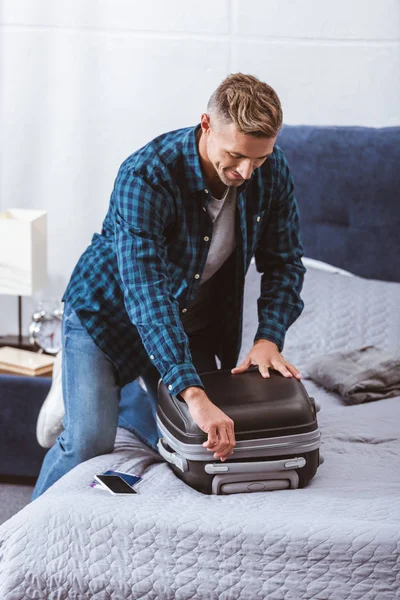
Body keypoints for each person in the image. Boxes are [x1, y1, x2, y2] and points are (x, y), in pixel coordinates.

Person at [32, 73, 306, 500]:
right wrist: (192, 391)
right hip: (106, 316)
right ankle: (9, 546)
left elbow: (284, 261)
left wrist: (269, 336)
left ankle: (130, 401)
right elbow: (146, 293)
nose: (247, 172)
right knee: (90, 443)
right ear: (206, 125)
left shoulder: (271, 173)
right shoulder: (146, 175)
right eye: (235, 156)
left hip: (187, 323)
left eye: (260, 159)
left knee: (194, 439)